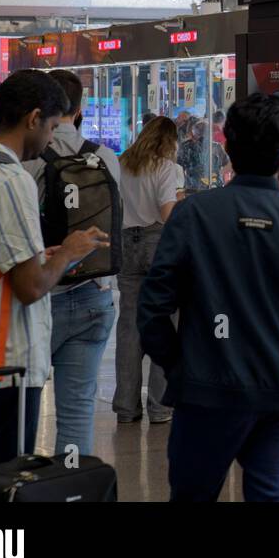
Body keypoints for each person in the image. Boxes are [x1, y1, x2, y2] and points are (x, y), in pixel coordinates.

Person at [139, 93, 279, 502]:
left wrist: (179, 365)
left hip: (206, 389)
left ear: (227, 147)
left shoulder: (193, 216)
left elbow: (152, 308)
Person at [0, 70, 108, 472]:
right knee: (4, 485)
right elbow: (31, 286)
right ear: (33, 118)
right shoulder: (10, 178)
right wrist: (68, 252)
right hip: (4, 369)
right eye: (51, 126)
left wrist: (42, 253)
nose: (51, 138)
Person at [23, 69, 121, 462]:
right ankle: (69, 485)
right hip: (95, 295)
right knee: (78, 409)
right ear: (79, 110)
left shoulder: (27, 163)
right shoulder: (107, 158)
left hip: (42, 293)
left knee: (25, 404)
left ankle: (21, 485)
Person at [113, 116, 184, 425]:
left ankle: (127, 407)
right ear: (169, 141)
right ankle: (160, 406)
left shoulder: (123, 163)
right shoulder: (167, 168)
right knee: (165, 322)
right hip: (158, 244)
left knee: (130, 324)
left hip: (127, 242)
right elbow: (169, 212)